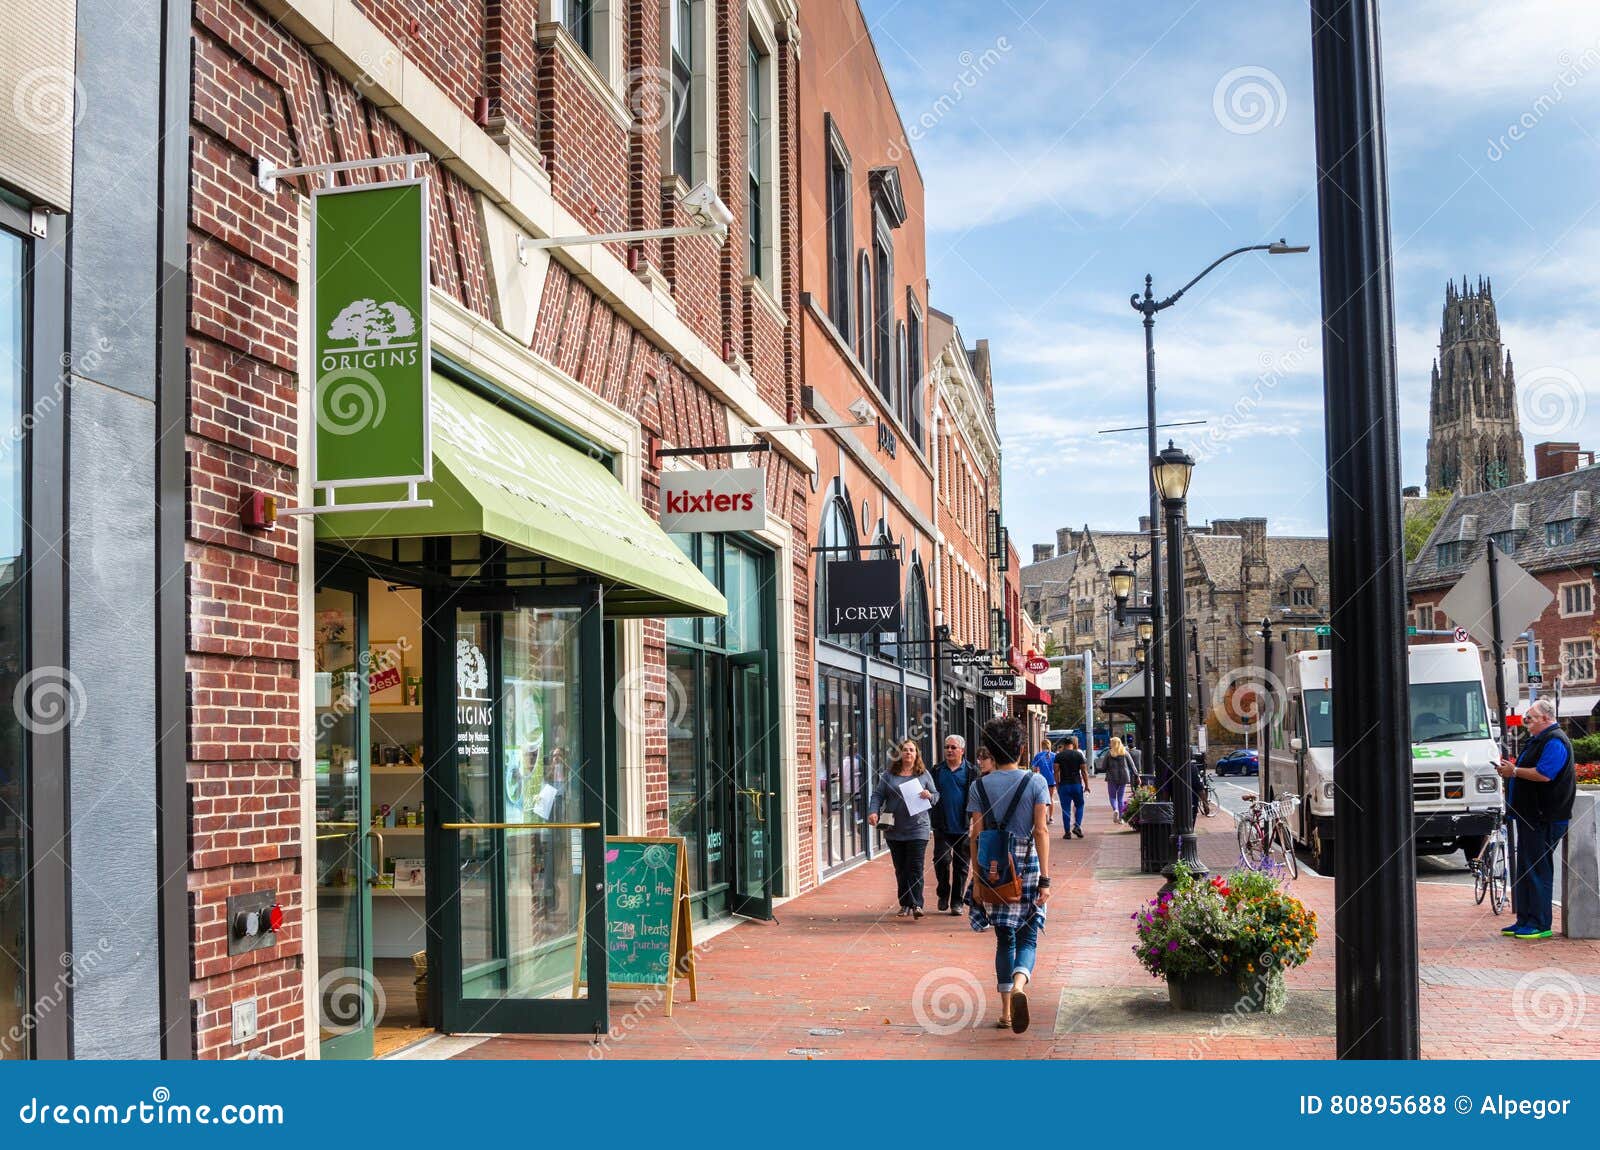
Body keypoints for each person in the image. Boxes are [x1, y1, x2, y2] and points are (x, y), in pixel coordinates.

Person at [965, 716, 1052, 1033]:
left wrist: (976, 879)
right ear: (1023, 749)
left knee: (1004, 938)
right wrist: (1045, 878)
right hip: (1026, 865)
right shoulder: (1036, 782)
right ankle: (1019, 986)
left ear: (990, 749)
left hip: (994, 867)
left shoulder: (978, 786)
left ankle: (1005, 1012)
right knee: (1028, 936)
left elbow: (974, 834)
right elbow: (1041, 831)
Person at [1496, 698, 1575, 940]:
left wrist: (1514, 771)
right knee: (1526, 868)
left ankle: (1540, 923)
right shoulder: (1540, 740)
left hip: (1544, 817)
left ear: (1545, 719)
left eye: (1530, 717)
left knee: (1537, 869)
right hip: (1531, 816)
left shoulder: (1554, 740)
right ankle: (1526, 920)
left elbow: (1544, 774)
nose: (1525, 721)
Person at [868, 738, 940, 918]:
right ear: (900, 753)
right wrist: (873, 812)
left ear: (916, 754)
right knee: (901, 869)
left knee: (915, 867)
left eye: (912, 750)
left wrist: (929, 795)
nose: (908, 753)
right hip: (894, 829)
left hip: (918, 828)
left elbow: (936, 795)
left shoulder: (923, 774)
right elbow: (878, 795)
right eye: (905, 750)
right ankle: (905, 903)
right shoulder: (889, 774)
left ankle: (916, 904)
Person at [929, 735, 973, 914]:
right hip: (942, 825)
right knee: (941, 860)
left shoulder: (971, 771)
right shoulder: (937, 770)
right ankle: (943, 893)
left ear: (962, 750)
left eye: (953, 747)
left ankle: (957, 902)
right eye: (947, 747)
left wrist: (975, 822)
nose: (949, 750)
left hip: (964, 826)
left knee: (962, 866)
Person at [1055, 736, 1089, 839]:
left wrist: (1057, 785)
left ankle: (1067, 832)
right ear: (1073, 745)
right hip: (1076, 784)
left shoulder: (1059, 756)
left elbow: (1056, 771)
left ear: (1064, 745)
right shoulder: (1078, 755)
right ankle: (1077, 826)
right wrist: (1087, 785)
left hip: (1064, 785)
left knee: (1065, 809)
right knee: (1079, 805)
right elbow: (1084, 771)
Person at [1099, 736, 1136, 823]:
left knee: (1112, 796)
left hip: (1112, 777)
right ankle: (1121, 818)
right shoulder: (1125, 752)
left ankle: (1115, 809)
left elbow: (1103, 767)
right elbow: (1132, 765)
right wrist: (1137, 775)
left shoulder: (1109, 753)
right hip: (1123, 777)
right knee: (1120, 798)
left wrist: (1107, 768)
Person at [1029, 740, 1057, 826]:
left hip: (1042, 780)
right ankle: (1051, 817)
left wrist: (1038, 770)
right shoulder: (1054, 755)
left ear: (1042, 746)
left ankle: (1044, 816)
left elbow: (1033, 768)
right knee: (1051, 798)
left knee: (1043, 799)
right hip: (1052, 779)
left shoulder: (1038, 755)